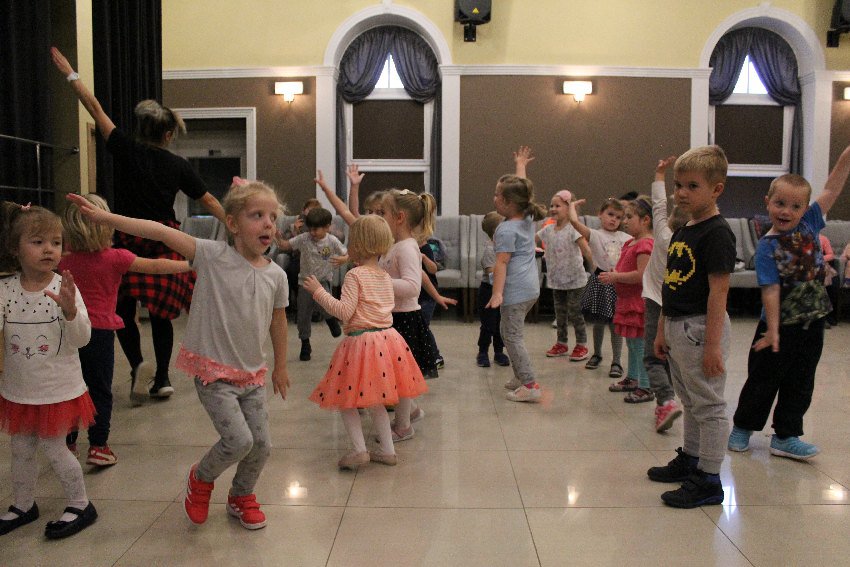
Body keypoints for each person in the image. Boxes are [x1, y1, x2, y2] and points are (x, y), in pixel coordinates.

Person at [67, 178, 289, 530]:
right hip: (214, 375)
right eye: (257, 215)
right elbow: (158, 231)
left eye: (273, 217)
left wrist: (281, 366)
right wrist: (106, 219)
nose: (268, 224)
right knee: (239, 440)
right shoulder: (212, 255)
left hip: (252, 376)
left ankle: (241, 495)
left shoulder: (276, 275)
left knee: (261, 445)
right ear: (232, 224)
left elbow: (278, 321)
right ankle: (201, 478)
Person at [51, 47, 226, 399]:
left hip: (127, 236)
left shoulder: (125, 148)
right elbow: (208, 200)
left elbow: (95, 108)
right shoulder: (178, 165)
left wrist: (71, 74)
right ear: (168, 135)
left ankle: (136, 365)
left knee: (121, 309)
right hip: (164, 240)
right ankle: (162, 378)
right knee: (162, 315)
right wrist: (233, 225)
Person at [728, 146, 850, 461]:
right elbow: (770, 290)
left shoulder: (810, 223)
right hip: (777, 325)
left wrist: (846, 157)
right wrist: (772, 330)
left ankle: (786, 435)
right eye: (780, 203)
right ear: (767, 202)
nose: (786, 211)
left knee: (801, 381)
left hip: (812, 322)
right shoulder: (768, 246)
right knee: (763, 379)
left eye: (795, 206)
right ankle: (743, 426)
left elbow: (832, 189)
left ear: (805, 209)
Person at [60, 194, 191, 466]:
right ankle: (98, 446)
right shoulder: (115, 258)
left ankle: (68, 444)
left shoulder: (63, 263)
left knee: (70, 389)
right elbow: (155, 266)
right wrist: (191, 264)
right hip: (99, 334)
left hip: (67, 333)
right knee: (99, 390)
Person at [0, 204, 98, 539]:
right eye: (38, 241)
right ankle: (23, 504)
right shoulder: (5, 290)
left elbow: (82, 339)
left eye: (55, 242)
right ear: (15, 248)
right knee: (20, 449)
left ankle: (81, 504)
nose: (49, 249)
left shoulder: (65, 288)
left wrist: (71, 312)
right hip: (19, 389)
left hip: (56, 390)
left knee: (55, 448)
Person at [647, 145, 736, 509]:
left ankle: (710, 479)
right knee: (690, 400)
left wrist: (713, 345)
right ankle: (692, 459)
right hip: (677, 326)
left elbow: (719, 291)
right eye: (678, 185)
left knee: (708, 405)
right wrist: (661, 329)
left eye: (692, 186)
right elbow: (671, 284)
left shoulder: (717, 233)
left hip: (700, 330)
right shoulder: (685, 229)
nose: (681, 193)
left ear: (716, 189)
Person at [305, 215, 427, 468]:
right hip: (388, 339)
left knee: (346, 399)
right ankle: (388, 451)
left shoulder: (355, 276)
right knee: (375, 399)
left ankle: (360, 450)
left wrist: (319, 292)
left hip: (361, 343)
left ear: (357, 245)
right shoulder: (384, 276)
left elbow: (344, 312)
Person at [376, 189, 437, 437]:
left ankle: (403, 427)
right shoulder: (395, 246)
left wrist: (379, 281)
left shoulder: (407, 249)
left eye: (383, 213)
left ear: (399, 217)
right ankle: (411, 412)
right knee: (395, 374)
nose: (379, 218)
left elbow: (412, 287)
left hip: (404, 321)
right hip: (393, 318)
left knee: (400, 378)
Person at [487, 174, 548, 402]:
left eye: (497, 195)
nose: (494, 198)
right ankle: (519, 375)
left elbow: (501, 263)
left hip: (515, 291)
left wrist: (497, 293)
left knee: (512, 336)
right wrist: (521, 166)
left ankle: (530, 384)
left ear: (509, 202)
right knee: (507, 333)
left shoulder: (506, 230)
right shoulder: (527, 217)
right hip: (529, 288)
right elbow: (523, 190)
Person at [643, 157, 689, 432]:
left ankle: (666, 401)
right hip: (679, 305)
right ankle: (671, 398)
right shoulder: (693, 243)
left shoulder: (662, 235)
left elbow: (658, 205)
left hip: (655, 301)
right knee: (669, 354)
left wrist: (660, 174)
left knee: (652, 356)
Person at [600, 196, 654, 402]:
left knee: (639, 345)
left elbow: (641, 275)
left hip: (638, 302)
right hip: (627, 300)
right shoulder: (631, 242)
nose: (625, 221)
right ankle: (632, 377)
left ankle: (646, 386)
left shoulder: (646, 244)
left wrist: (616, 277)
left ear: (645, 220)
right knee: (631, 343)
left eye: (630, 217)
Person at [569, 197, 630, 377]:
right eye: (610, 214)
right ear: (600, 214)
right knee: (599, 322)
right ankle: (596, 354)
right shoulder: (595, 234)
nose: (614, 220)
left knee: (616, 324)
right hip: (600, 282)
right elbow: (574, 223)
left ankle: (617, 361)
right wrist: (572, 206)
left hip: (618, 283)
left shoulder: (626, 238)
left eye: (618, 217)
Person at [275, 206, 346, 361]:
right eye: (310, 229)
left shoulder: (332, 241)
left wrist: (343, 259)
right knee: (303, 314)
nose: (312, 232)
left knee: (326, 305)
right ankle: (305, 343)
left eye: (316, 229)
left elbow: (345, 253)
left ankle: (330, 319)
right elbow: (286, 245)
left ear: (327, 227)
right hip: (305, 282)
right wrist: (278, 239)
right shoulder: (304, 238)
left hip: (323, 281)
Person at [537, 190, 592, 361]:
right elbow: (532, 240)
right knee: (559, 313)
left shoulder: (573, 230)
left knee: (575, 312)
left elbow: (586, 250)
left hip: (576, 279)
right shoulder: (547, 230)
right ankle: (561, 343)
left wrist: (596, 268)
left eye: (558, 206)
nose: (553, 208)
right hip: (557, 280)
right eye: (552, 205)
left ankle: (582, 344)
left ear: (569, 209)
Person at [476, 211, 510, 368]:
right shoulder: (490, 250)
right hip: (488, 292)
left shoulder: (505, 248)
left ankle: (499, 351)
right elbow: (491, 272)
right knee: (488, 324)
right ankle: (482, 352)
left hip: (502, 290)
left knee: (500, 324)